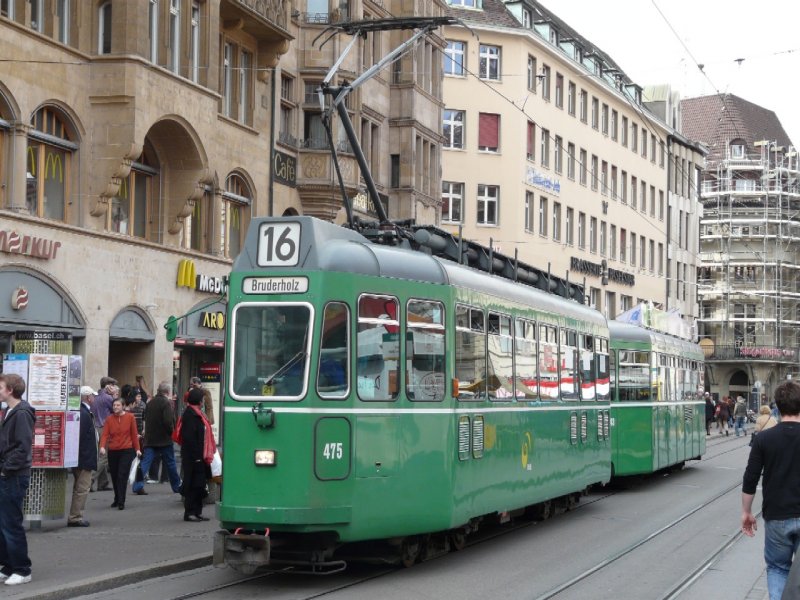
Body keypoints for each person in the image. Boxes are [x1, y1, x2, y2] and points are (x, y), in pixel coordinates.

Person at [741, 379, 800, 600]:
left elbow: (750, 478)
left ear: (778, 406)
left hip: (776, 516)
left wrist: (746, 512)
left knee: (777, 568)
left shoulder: (764, 438)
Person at [0, 373, 35, 586]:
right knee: (3, 523)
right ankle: (8, 565)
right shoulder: (10, 411)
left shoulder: (21, 413)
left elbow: (22, 447)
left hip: (13, 476)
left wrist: (5, 470)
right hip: (8, 474)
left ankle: (22, 569)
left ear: (10, 390)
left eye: (0, 386)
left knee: (11, 523)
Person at [133, 382, 182, 495]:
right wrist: (171, 432)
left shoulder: (150, 403)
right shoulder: (166, 403)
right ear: (168, 392)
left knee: (145, 463)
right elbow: (168, 421)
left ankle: (138, 485)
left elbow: (145, 418)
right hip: (164, 439)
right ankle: (176, 486)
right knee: (170, 463)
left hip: (150, 439)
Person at [99, 393, 141, 511]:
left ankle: (121, 501)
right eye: (114, 405)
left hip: (127, 450)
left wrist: (137, 449)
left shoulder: (130, 417)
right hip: (113, 451)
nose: (115, 407)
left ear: (123, 406)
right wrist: (102, 447)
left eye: (118, 405)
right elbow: (105, 434)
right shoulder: (109, 419)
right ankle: (117, 498)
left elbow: (134, 434)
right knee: (114, 475)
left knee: (122, 475)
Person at [67, 386, 98, 527]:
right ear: (88, 397)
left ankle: (75, 515)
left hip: (80, 456)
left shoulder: (81, 411)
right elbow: (80, 436)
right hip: (84, 456)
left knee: (79, 487)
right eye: (93, 396)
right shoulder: (84, 413)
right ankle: (75, 516)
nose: (94, 398)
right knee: (82, 487)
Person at [180, 388, 211, 522]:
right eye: (202, 399)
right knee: (193, 485)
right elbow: (189, 438)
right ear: (199, 400)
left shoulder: (198, 413)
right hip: (193, 457)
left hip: (200, 455)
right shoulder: (190, 415)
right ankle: (190, 512)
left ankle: (197, 511)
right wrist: (197, 457)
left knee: (200, 484)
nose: (204, 401)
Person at [90, 377, 116, 492]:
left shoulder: (95, 397)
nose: (114, 387)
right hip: (105, 428)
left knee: (100, 455)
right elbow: (116, 410)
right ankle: (90, 480)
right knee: (103, 458)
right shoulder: (108, 398)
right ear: (108, 386)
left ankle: (103, 483)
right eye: (112, 385)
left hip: (96, 428)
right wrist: (114, 396)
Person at [124, 391, 146, 495]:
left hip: (130, 441)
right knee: (137, 462)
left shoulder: (125, 413)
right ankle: (136, 482)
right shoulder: (130, 414)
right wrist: (136, 436)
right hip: (132, 441)